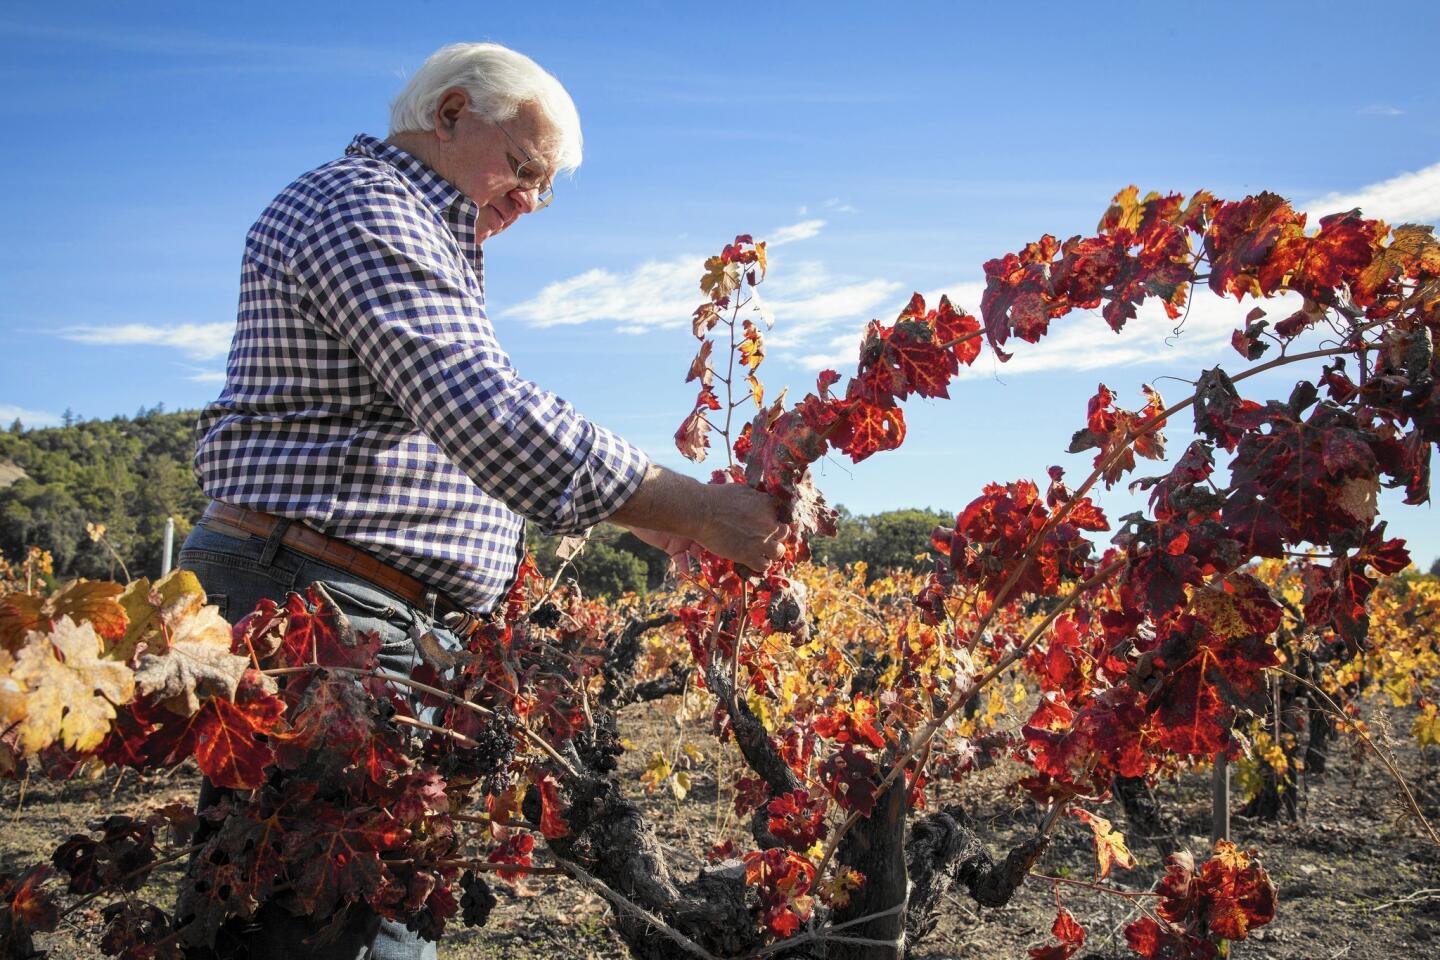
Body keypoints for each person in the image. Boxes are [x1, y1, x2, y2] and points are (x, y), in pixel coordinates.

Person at [178, 42, 786, 959]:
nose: (532, 200)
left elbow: (450, 428)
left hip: (353, 603)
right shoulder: (364, 207)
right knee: (318, 925)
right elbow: (485, 412)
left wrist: (653, 515)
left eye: (549, 185)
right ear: (453, 113)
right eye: (527, 167)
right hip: (319, 602)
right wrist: (699, 508)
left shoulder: (417, 228)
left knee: (343, 908)